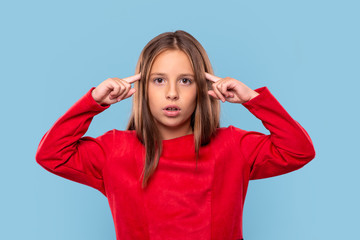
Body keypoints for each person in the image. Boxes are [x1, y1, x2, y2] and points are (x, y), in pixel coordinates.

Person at [35, 30, 316, 240]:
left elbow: (298, 150)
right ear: (143, 87)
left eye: (185, 80)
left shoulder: (233, 146)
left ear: (201, 88)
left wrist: (252, 99)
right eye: (159, 80)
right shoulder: (114, 151)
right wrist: (93, 102)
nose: (172, 93)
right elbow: (51, 155)